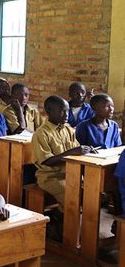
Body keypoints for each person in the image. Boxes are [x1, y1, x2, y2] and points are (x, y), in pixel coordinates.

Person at [33, 95, 95, 237]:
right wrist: (71, 152)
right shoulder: (41, 133)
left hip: (71, 174)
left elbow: (76, 150)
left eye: (67, 111)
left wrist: (86, 150)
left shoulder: (68, 129)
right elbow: (46, 161)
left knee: (92, 194)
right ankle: (66, 232)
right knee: (72, 197)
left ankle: (58, 219)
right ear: (49, 111)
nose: (66, 115)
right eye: (62, 111)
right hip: (50, 177)